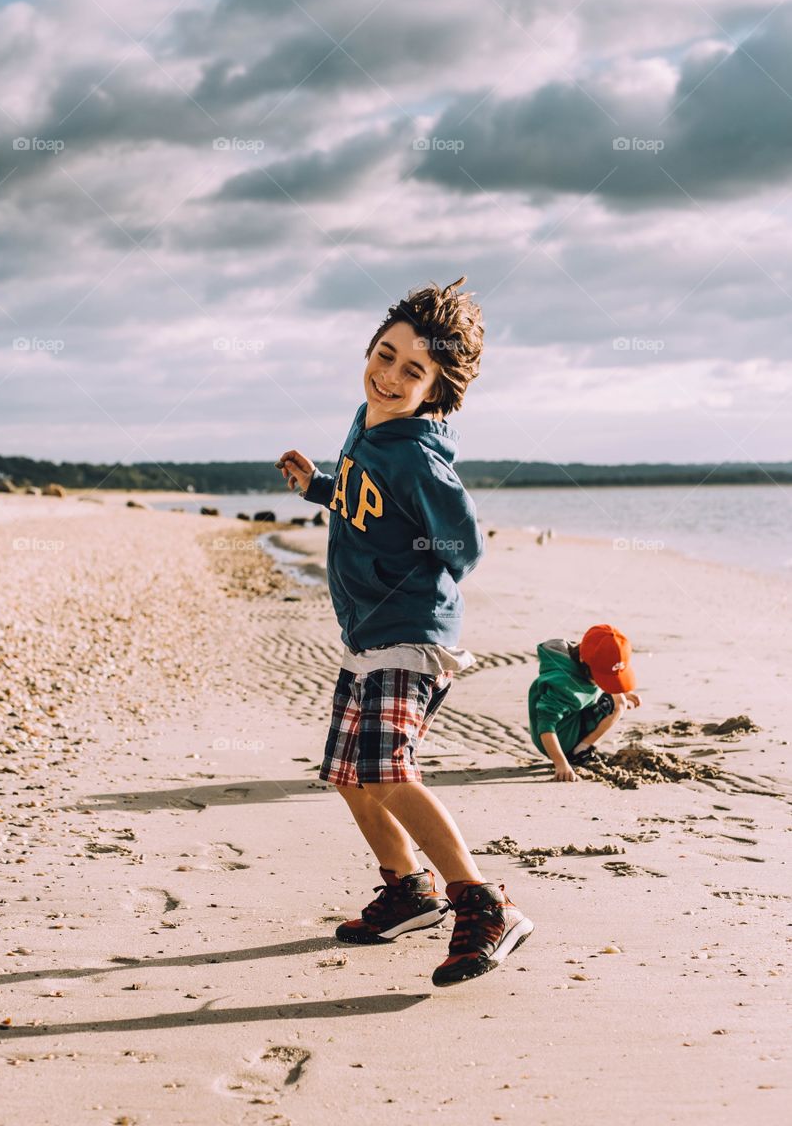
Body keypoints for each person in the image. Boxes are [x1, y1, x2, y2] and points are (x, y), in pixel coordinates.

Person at [275, 277, 533, 987]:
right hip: (366, 634)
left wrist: (422, 572)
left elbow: (464, 546)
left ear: (437, 388)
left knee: (387, 771)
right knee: (350, 778)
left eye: (411, 370)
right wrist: (321, 489)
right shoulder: (370, 420)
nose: (388, 376)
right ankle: (406, 891)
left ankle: (482, 904)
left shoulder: (419, 457)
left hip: (411, 636)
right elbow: (368, 500)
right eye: (383, 355)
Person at [527, 624, 642, 783]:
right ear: (583, 660)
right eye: (603, 678)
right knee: (618, 703)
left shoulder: (583, 661)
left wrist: (617, 688)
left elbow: (593, 685)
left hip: (572, 717)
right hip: (558, 738)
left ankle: (579, 748)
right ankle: (578, 752)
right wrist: (560, 763)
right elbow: (546, 725)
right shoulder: (564, 685)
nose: (605, 683)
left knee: (618, 697)